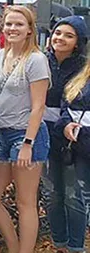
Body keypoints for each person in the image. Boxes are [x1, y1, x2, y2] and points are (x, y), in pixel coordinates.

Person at [0, 6, 50, 253]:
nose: (12, 29)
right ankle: (13, 246)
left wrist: (28, 143)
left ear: (29, 29)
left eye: (19, 24)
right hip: (1, 132)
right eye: (9, 24)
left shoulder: (36, 60)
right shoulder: (1, 55)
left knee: (25, 202)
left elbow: (38, 106)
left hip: (26, 134)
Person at [43, 15, 88, 252]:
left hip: (73, 141)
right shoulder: (40, 61)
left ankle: (76, 246)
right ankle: (59, 242)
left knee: (73, 196)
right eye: (58, 33)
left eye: (68, 35)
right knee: (51, 193)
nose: (60, 38)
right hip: (44, 136)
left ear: (78, 43)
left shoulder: (84, 68)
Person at [59, 35, 90, 252]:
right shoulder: (81, 78)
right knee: (78, 198)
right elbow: (65, 107)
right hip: (79, 147)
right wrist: (65, 124)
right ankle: (75, 247)